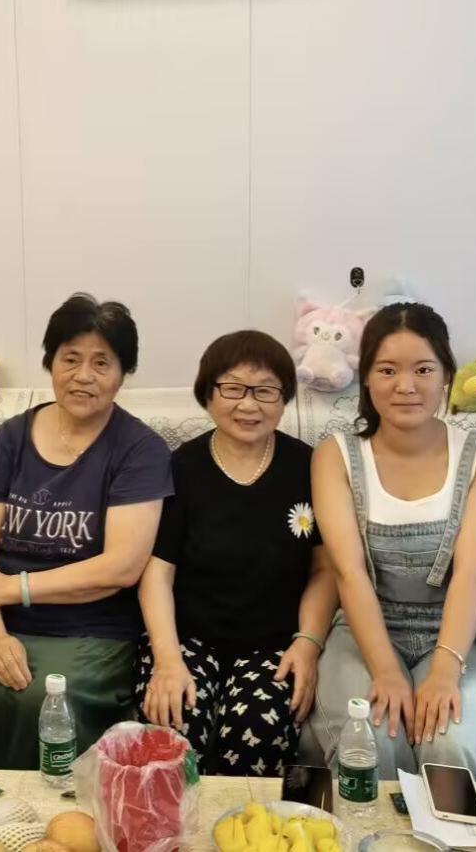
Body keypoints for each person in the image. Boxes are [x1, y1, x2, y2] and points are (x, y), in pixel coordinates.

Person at [0, 294, 173, 768]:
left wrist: (11, 588)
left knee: (46, 700)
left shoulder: (139, 450)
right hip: (4, 620)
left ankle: (70, 807)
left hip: (93, 629)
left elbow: (121, 567)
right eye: (70, 359)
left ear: (123, 373)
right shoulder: (9, 439)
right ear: (50, 363)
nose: (83, 375)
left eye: (102, 362)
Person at [310, 303, 476, 789]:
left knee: (451, 745)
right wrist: (385, 669)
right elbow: (349, 572)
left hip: (463, 636)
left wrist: (444, 669)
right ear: (365, 378)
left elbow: (473, 572)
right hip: (363, 632)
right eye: (387, 370)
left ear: (447, 375)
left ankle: (462, 831)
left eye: (423, 369)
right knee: (372, 741)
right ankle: (368, 832)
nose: (406, 386)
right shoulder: (335, 455)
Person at [135, 330, 337, 776]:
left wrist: (307, 644)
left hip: (277, 643)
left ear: (284, 398)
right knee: (175, 725)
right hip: (187, 638)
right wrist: (166, 660)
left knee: (259, 733)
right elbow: (157, 572)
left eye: (265, 390)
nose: (248, 405)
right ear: (208, 394)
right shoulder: (180, 467)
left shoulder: (309, 467)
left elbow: (325, 570)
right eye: (232, 389)